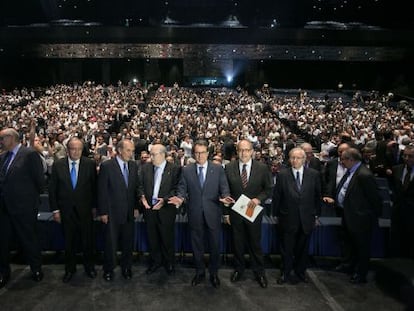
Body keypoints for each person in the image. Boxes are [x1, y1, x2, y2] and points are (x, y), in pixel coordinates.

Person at [168, 140, 233, 288]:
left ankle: (214, 273)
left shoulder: (218, 169)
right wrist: (179, 198)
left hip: (213, 213)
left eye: (202, 152)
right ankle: (200, 273)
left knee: (215, 246)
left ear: (208, 153)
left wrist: (225, 197)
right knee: (197, 246)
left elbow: (224, 188)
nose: (199, 155)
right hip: (195, 213)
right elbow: (182, 189)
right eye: (197, 152)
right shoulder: (186, 170)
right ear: (193, 153)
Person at [0, 128, 45, 288]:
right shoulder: (3, 157)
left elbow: (40, 181)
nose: (1, 141)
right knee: (3, 242)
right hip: (4, 208)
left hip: (24, 207)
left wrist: (30, 200)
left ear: (12, 138)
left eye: (2, 138)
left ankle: (36, 269)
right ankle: (3, 272)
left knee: (29, 239)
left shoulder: (29, 154)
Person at [48, 137, 97, 283]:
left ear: (83, 150)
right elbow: (52, 190)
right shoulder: (58, 165)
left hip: (86, 211)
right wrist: (55, 210)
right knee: (69, 243)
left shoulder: (90, 164)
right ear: (67, 149)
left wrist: (95, 207)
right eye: (73, 149)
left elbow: (94, 188)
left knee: (88, 241)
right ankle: (70, 269)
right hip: (65, 211)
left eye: (79, 149)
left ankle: (89, 267)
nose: (76, 152)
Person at [224, 139, 272, 288]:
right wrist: (226, 213)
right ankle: (239, 270)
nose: (243, 153)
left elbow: (268, 189)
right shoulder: (229, 167)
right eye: (240, 150)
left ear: (252, 151)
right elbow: (225, 192)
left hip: (253, 211)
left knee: (255, 243)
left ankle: (259, 272)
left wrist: (259, 199)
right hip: (235, 212)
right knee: (237, 243)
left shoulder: (262, 168)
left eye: (246, 150)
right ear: (237, 152)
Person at [272, 147, 321, 284]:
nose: (295, 160)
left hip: (307, 218)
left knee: (303, 248)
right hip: (287, 218)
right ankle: (285, 273)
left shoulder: (314, 174)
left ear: (304, 159)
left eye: (298, 158)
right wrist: (275, 215)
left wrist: (316, 216)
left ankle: (300, 272)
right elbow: (277, 197)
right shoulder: (282, 175)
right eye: (293, 157)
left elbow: (317, 197)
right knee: (286, 249)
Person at [337, 148, 381, 283]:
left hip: (360, 219)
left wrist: (367, 217)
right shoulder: (352, 171)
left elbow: (375, 200)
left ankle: (361, 274)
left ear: (351, 159)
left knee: (362, 248)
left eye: (343, 159)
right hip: (348, 215)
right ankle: (349, 266)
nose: (341, 161)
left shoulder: (364, 175)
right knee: (351, 245)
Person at [97, 139, 140, 281]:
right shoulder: (107, 166)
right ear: (120, 150)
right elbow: (102, 190)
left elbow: (134, 189)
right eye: (129, 150)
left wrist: (135, 208)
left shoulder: (133, 166)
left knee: (128, 243)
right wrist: (102, 212)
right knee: (111, 243)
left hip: (128, 213)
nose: (131, 153)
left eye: (133, 150)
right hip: (111, 212)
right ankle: (109, 269)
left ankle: (126, 268)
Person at [139, 144, 180, 275]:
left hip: (166, 210)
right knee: (152, 238)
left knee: (167, 238)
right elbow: (139, 185)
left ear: (163, 155)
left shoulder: (175, 169)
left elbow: (176, 189)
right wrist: (142, 197)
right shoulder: (145, 168)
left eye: (153, 155)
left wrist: (165, 200)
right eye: (150, 154)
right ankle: (155, 262)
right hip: (149, 209)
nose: (150, 157)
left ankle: (169, 263)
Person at [390, 145, 414, 259]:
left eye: (411, 156)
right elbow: (393, 188)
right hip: (398, 212)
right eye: (405, 156)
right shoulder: (396, 169)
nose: (407, 158)